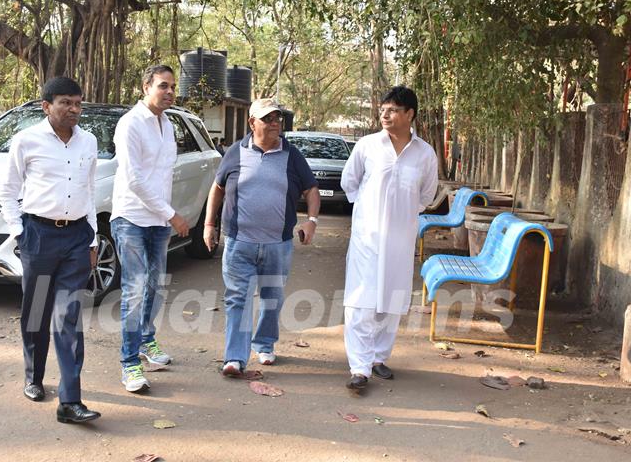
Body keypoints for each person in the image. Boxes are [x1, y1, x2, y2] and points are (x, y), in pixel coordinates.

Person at [0, 76, 101, 423]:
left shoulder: (88, 141)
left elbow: (89, 190)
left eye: (77, 103)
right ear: (47, 106)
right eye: (65, 103)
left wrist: (93, 238)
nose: (74, 109)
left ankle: (70, 401)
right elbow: (7, 191)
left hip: (76, 238)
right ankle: (34, 376)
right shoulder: (26, 141)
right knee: (37, 313)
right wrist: (19, 234)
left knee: (68, 316)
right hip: (39, 237)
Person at [202, 98, 321, 376]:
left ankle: (265, 343)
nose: (274, 123)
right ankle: (234, 358)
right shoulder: (235, 152)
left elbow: (312, 190)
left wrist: (311, 221)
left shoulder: (291, 155)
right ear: (252, 122)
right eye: (267, 118)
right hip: (238, 242)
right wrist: (209, 224)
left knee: (272, 298)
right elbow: (217, 188)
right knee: (237, 299)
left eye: (277, 118)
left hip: (277, 244)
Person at [341, 86, 438, 390]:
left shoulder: (424, 153)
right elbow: (350, 183)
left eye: (393, 109)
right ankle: (359, 367)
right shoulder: (367, 146)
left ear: (410, 114)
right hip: (366, 239)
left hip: (400, 240)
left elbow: (426, 195)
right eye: (383, 109)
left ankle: (379, 358)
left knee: (391, 300)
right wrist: (372, 215)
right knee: (361, 301)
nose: (385, 114)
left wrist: (398, 215)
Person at [111, 65, 190, 392]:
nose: (169, 92)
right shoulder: (130, 124)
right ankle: (129, 364)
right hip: (131, 218)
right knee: (135, 288)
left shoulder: (167, 124)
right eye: (162, 86)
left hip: (158, 222)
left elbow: (164, 176)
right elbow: (135, 180)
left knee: (155, 287)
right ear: (146, 87)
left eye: (172, 86)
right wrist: (172, 214)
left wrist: (166, 216)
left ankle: (146, 341)